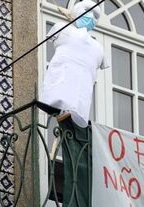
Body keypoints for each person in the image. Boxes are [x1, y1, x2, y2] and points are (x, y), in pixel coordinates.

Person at [40, 0, 108, 128]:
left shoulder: (98, 48)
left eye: (95, 16)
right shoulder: (62, 29)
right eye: (88, 12)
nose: (92, 17)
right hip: (61, 80)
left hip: (81, 93)